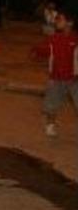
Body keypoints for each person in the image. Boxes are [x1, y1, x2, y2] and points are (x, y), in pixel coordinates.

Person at [30, 8, 77, 138]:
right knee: (52, 104)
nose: (56, 22)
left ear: (70, 23)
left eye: (60, 19)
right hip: (56, 78)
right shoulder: (54, 39)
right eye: (56, 19)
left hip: (74, 79)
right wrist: (35, 52)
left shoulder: (75, 39)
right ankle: (50, 125)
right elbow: (43, 50)